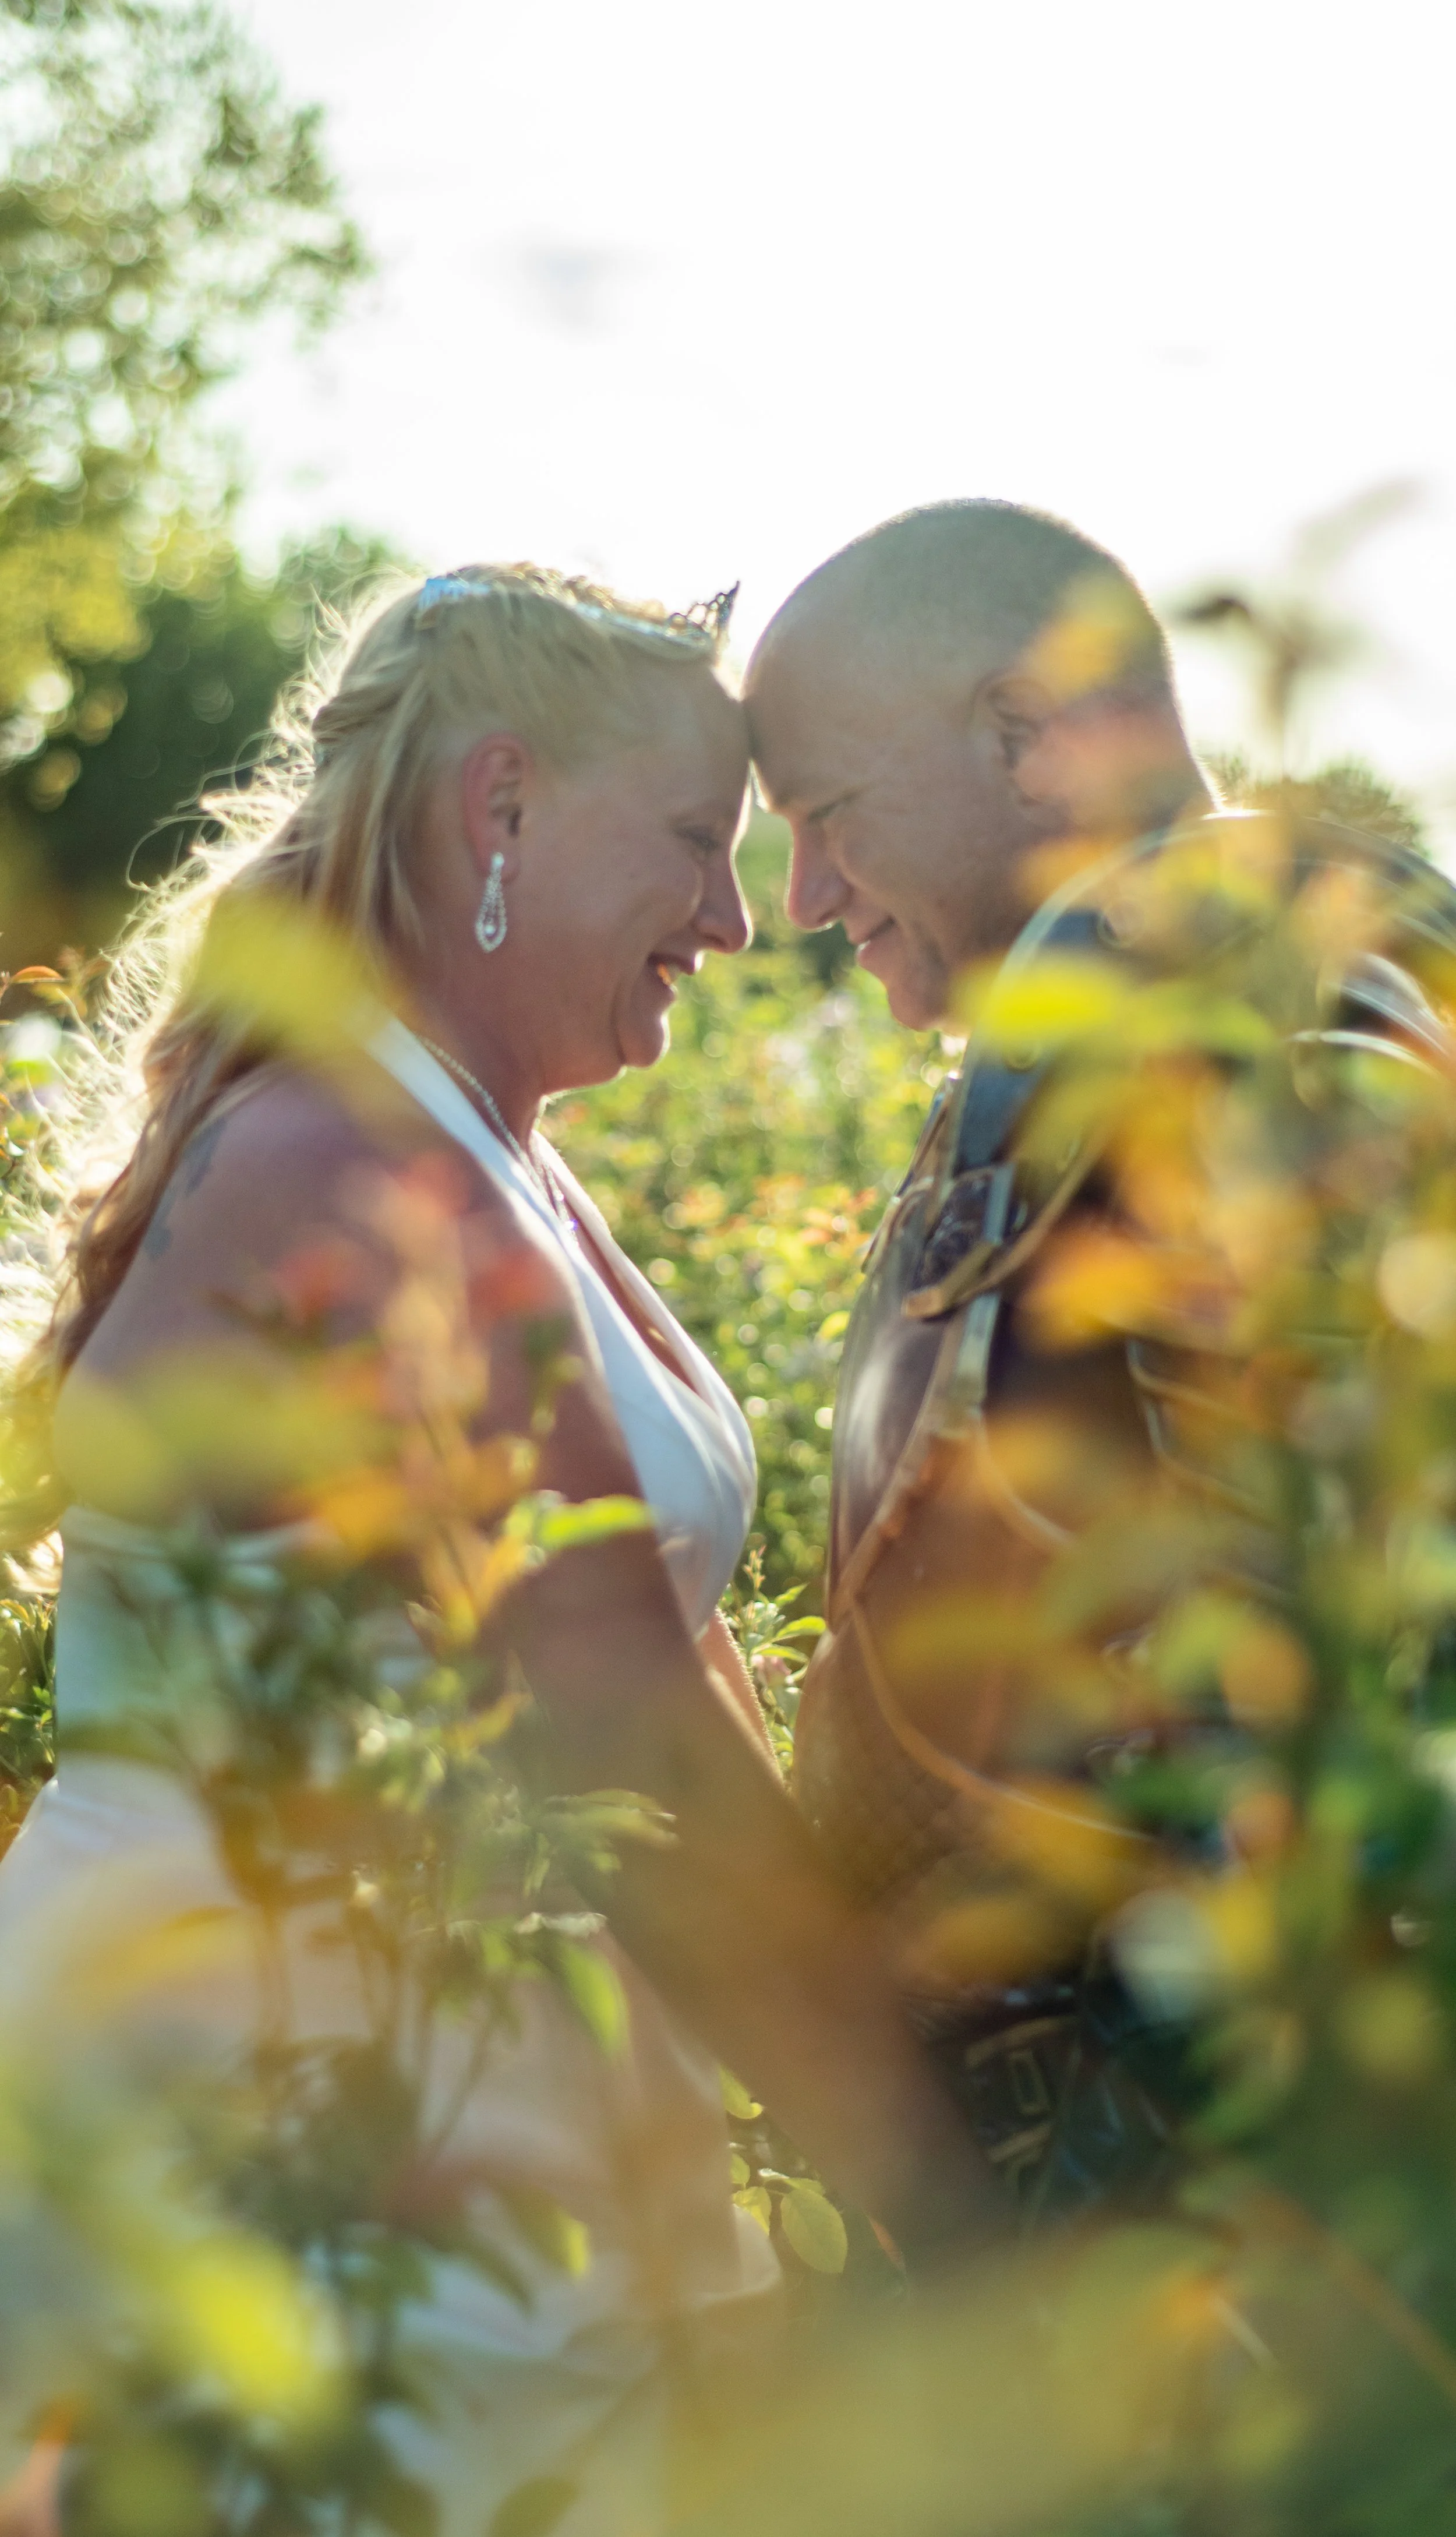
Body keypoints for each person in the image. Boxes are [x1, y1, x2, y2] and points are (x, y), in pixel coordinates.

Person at [0, 565, 1001, 2536]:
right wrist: (934, 2192)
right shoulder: (352, 1168)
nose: (735, 921)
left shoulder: (484, 1141)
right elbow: (613, 1705)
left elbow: (670, 1633)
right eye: (694, 846)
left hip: (463, 2047)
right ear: (501, 808)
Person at [745, 499, 1456, 2215]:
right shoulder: (1146, 998)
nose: (803, 897)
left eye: (826, 817)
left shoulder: (1239, 1007)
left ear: (1023, 731)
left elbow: (1363, 1636)